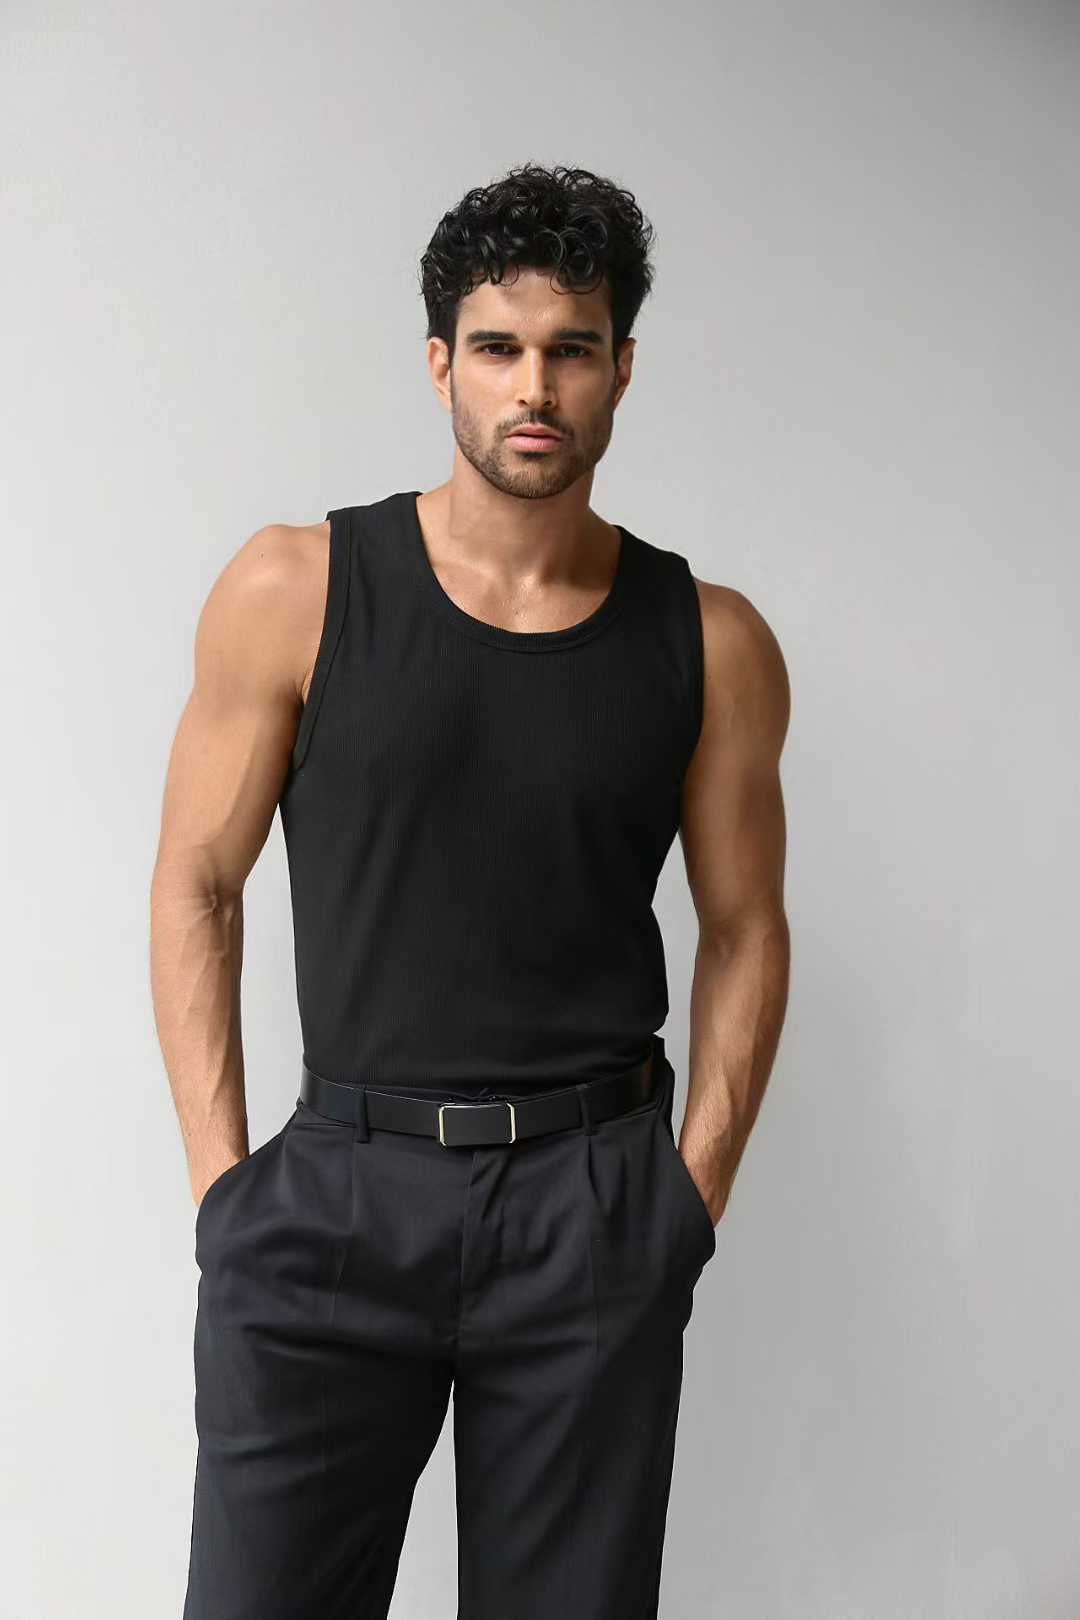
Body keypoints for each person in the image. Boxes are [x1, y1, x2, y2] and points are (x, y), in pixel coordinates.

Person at [150, 160, 791, 1619]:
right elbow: (197, 881)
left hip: (590, 1208)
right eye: (499, 347)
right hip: (336, 1196)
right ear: (440, 362)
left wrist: (684, 1202)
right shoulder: (299, 588)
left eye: (573, 348)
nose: (535, 388)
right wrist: (227, 1195)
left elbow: (748, 928)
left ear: (623, 367)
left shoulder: (710, 642)